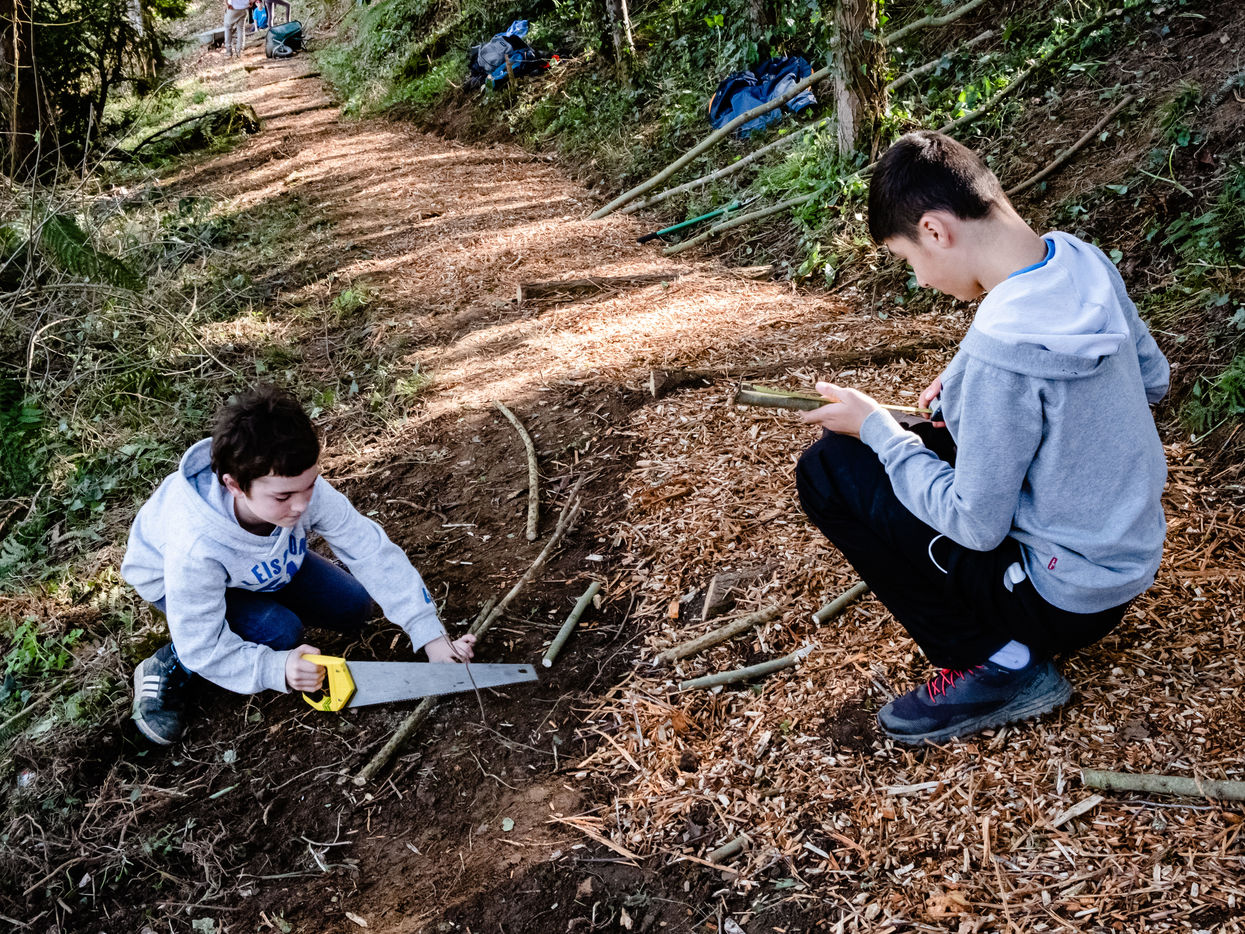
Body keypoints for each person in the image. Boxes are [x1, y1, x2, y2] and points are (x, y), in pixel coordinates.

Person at [795, 130, 1168, 745]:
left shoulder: (1001, 351)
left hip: (1059, 598)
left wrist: (878, 430)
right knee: (908, 442)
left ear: (935, 230)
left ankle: (1001, 662)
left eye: (909, 259)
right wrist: (968, 383)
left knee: (831, 467)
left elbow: (976, 526)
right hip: (1128, 556)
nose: (919, 279)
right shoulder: (1080, 260)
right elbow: (1152, 380)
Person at [122, 385, 476, 745]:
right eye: (284, 496)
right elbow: (203, 644)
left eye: (309, 485)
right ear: (235, 485)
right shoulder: (195, 546)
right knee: (279, 633)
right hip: (176, 583)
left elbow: (369, 550)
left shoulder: (294, 488)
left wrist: (430, 634)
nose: (302, 505)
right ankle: (171, 661)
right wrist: (276, 667)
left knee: (354, 607)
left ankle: (263, 601)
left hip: (259, 567)